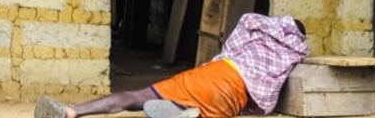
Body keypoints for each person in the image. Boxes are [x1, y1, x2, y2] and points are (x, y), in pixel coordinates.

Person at [34, 13, 309, 118]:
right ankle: (189, 115)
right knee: (207, 113)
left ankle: (71, 112)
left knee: (138, 96)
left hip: (216, 73)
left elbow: (232, 43)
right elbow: (267, 97)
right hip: (234, 94)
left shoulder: (257, 31)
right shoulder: (291, 55)